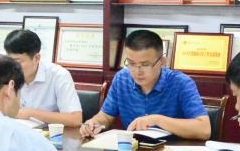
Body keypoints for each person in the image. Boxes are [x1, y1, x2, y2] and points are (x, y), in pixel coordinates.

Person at [80, 29, 209, 140]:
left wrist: (157, 119)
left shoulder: (181, 83)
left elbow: (204, 130)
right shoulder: (122, 79)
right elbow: (106, 117)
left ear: (162, 62)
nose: (137, 71)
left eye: (145, 65)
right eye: (131, 63)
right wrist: (94, 123)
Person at [4, 29, 83, 127]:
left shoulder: (58, 75)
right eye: (9, 61)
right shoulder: (4, 73)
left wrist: (30, 113)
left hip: (48, 134)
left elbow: (75, 119)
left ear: (37, 58)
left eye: (17, 61)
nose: (12, 66)